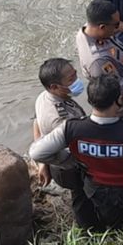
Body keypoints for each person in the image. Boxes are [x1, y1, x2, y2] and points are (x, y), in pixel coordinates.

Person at [29, 74, 123, 228]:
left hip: (97, 193)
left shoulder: (70, 129)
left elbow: (37, 152)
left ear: (90, 100)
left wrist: (70, 160)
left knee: (115, 226)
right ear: (119, 100)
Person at [32, 58, 96, 229]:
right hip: (69, 165)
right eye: (71, 80)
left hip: (55, 157)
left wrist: (42, 163)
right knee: (82, 195)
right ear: (54, 86)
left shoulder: (44, 97)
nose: (76, 81)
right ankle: (89, 231)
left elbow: (36, 124)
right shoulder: (59, 119)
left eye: (75, 75)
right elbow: (79, 144)